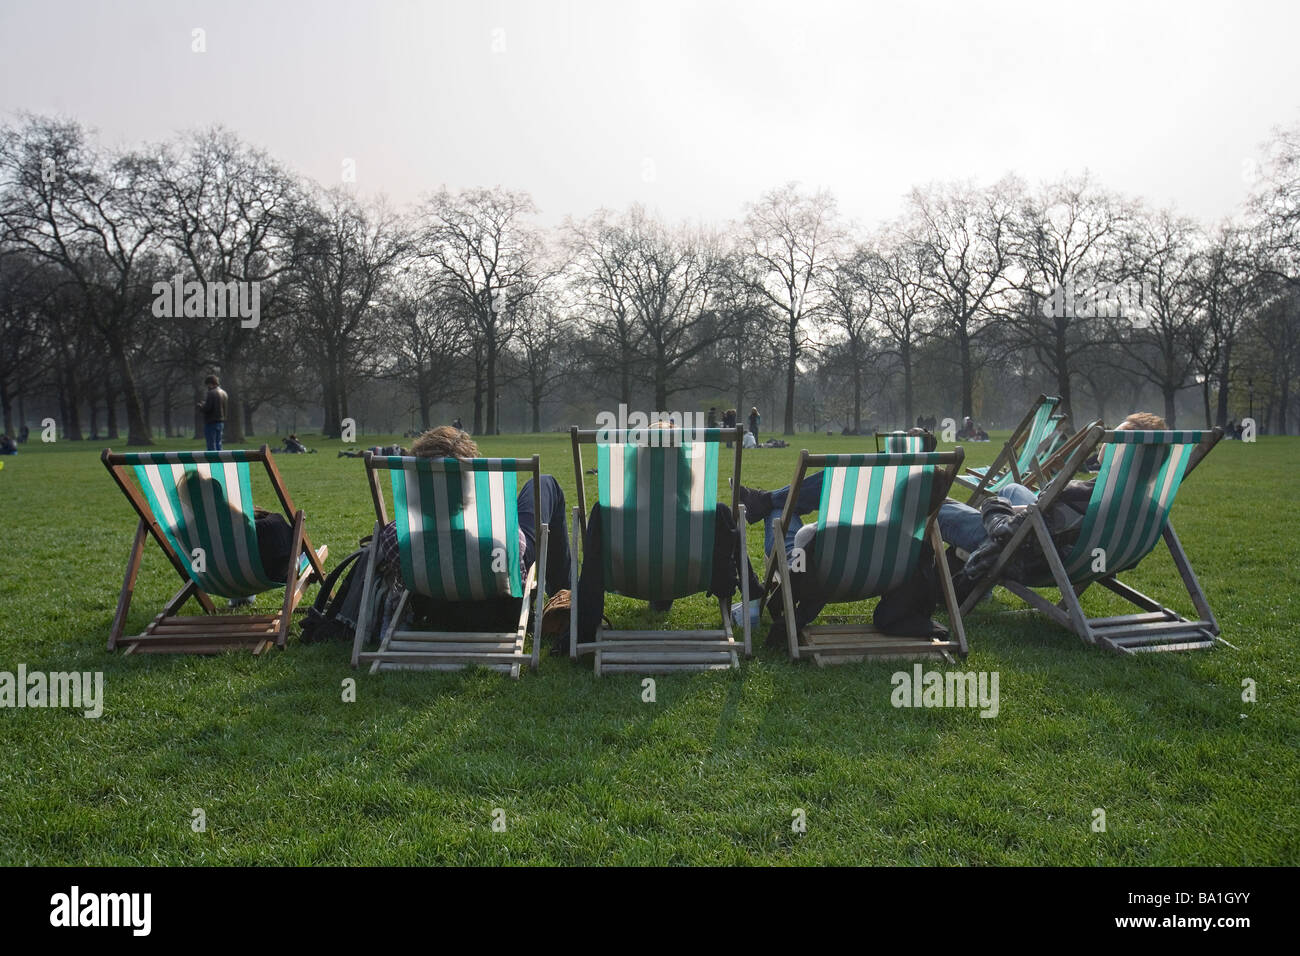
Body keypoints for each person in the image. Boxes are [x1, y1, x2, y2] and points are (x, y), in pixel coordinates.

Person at [735, 427, 942, 643]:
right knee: (786, 506)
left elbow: (805, 540)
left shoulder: (847, 525)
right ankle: (765, 500)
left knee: (779, 512)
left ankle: (765, 501)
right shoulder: (906, 541)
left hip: (813, 569)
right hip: (885, 575)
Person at [936, 412, 1167, 594]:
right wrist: (1021, 509)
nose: (1105, 441)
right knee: (1012, 489)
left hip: (1034, 558)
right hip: (1078, 555)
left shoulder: (1076, 494)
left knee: (940, 508)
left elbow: (1005, 532)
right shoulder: (1146, 505)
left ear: (1120, 454)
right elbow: (1042, 517)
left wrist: (992, 507)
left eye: (1113, 437)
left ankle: (943, 584)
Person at [373, 426, 570, 635]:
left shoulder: (397, 540)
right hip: (500, 611)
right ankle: (566, 595)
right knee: (544, 483)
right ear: (469, 483)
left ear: (415, 483)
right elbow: (516, 553)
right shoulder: (497, 541)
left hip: (438, 614)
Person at [197, 375, 228, 451]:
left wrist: (201, 406)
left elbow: (208, 408)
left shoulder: (211, 393)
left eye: (207, 384)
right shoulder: (224, 393)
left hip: (211, 422)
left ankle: (212, 461)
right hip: (221, 422)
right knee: (219, 443)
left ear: (210, 383)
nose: (207, 386)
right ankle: (221, 460)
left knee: (211, 444)